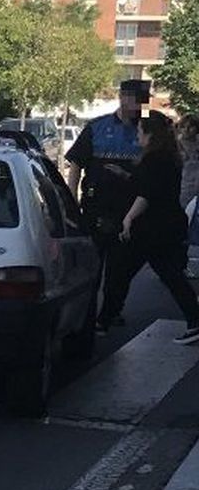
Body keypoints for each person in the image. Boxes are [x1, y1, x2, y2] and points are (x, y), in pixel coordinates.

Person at [67, 79, 147, 332]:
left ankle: (109, 314)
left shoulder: (147, 130)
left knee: (119, 271)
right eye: (135, 100)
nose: (139, 107)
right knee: (92, 269)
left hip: (130, 212)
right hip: (96, 208)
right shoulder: (97, 127)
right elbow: (76, 165)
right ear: (123, 97)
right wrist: (71, 199)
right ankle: (88, 317)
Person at [114, 113, 199, 344]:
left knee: (127, 269)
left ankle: (107, 315)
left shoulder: (155, 159)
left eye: (140, 131)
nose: (137, 136)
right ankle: (108, 314)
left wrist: (128, 218)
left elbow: (147, 194)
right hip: (165, 226)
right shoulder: (168, 157)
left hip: (154, 228)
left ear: (150, 134)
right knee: (168, 274)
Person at [179, 115, 199, 277]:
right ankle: (179, 260)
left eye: (191, 126)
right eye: (184, 126)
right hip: (182, 188)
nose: (187, 130)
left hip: (195, 188)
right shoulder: (176, 144)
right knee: (181, 224)